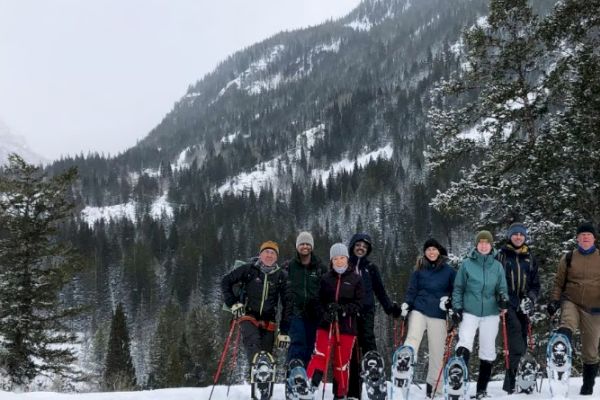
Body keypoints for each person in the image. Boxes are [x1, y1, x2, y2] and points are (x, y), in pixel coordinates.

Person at [452, 230, 509, 400]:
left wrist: (504, 300)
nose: (483, 245)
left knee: (487, 349)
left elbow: (502, 289)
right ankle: (458, 381)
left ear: (491, 246)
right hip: (470, 310)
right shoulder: (467, 264)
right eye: (481, 242)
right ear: (476, 245)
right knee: (465, 341)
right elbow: (458, 288)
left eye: (487, 242)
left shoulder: (497, 266)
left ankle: (481, 390)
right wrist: (457, 308)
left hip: (491, 312)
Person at [547, 222, 600, 395]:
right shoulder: (568, 258)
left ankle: (588, 385)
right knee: (567, 322)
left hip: (594, 309)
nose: (585, 237)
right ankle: (561, 348)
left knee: (590, 350)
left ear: (594, 238)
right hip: (572, 301)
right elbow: (558, 283)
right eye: (582, 235)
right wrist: (554, 301)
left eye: (588, 235)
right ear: (577, 239)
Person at [306, 243, 364, 400]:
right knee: (320, 354)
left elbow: (359, 303)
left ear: (347, 259)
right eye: (336, 258)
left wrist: (343, 309)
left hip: (346, 327)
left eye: (342, 258)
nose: (339, 261)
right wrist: (325, 312)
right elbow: (317, 300)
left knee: (341, 362)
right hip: (326, 324)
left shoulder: (355, 279)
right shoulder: (325, 278)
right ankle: (309, 385)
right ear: (331, 260)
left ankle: (340, 394)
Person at [346, 233, 400, 399]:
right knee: (352, 351)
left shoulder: (371, 268)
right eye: (358, 245)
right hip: (349, 313)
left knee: (369, 344)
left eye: (364, 246)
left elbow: (380, 291)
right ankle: (354, 392)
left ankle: (376, 385)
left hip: (367, 311)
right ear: (352, 246)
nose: (361, 248)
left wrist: (390, 308)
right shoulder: (345, 265)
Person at [401, 238, 456, 398]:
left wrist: (450, 304)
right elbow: (412, 291)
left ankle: (435, 389)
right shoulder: (419, 271)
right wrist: (407, 305)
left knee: (437, 353)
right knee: (413, 337)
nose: (431, 252)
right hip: (419, 309)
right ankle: (405, 360)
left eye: (434, 249)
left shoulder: (449, 271)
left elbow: (456, 291)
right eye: (428, 250)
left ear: (439, 251)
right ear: (424, 252)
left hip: (438, 313)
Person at [221, 240, 289, 364]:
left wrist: (284, 331)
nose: (269, 255)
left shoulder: (281, 276)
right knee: (253, 343)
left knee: (267, 357)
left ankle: (261, 381)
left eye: (273, 253)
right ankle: (258, 366)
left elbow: (287, 304)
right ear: (260, 254)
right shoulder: (249, 269)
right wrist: (233, 303)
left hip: (269, 321)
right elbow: (226, 281)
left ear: (276, 257)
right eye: (266, 252)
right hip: (248, 315)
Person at [496, 222, 540, 394]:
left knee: (521, 336)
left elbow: (536, 284)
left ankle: (513, 383)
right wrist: (501, 298)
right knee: (516, 340)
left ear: (525, 237)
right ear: (510, 236)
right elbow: (495, 280)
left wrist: (531, 299)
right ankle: (521, 374)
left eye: (521, 235)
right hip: (507, 303)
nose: (518, 237)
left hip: (524, 304)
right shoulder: (501, 256)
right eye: (515, 234)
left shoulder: (530, 257)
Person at [284, 231, 327, 366]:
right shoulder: (289, 266)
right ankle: (293, 377)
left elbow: (327, 290)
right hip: (295, 312)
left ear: (312, 246)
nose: (305, 247)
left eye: (308, 244)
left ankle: (304, 379)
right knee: (298, 342)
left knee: (310, 346)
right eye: (302, 244)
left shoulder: (320, 267)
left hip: (314, 313)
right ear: (297, 246)